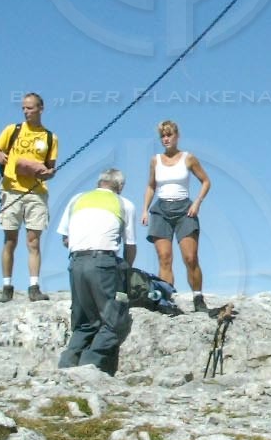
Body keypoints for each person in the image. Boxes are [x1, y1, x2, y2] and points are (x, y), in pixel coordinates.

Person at [56, 168, 138, 374]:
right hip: (103, 262)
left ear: (99, 183)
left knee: (84, 321)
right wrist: (125, 273)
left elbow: (65, 238)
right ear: (120, 187)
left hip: (75, 262)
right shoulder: (124, 204)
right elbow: (130, 245)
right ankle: (88, 364)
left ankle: (67, 363)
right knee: (113, 321)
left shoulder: (77, 199)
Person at [0, 92, 58, 302]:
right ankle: (7, 285)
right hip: (11, 190)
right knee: (10, 239)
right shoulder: (13, 130)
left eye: (30, 108)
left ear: (40, 109)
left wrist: (48, 173)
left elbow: (52, 168)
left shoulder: (49, 137)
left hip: (36, 192)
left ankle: (34, 286)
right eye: (24, 108)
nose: (26, 111)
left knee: (33, 241)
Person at [146, 120, 213, 313]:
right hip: (161, 210)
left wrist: (197, 202)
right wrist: (145, 209)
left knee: (190, 257)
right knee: (164, 257)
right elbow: (151, 186)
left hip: (185, 209)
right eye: (163, 136)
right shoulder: (155, 160)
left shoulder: (188, 158)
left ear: (177, 136)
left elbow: (206, 181)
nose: (166, 139)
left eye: (169, 135)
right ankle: (166, 299)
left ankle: (198, 298)